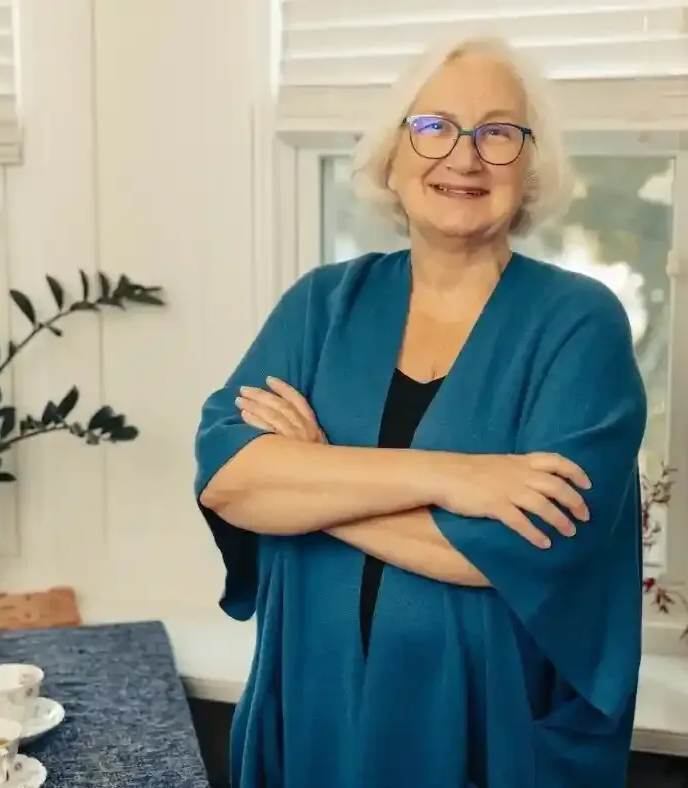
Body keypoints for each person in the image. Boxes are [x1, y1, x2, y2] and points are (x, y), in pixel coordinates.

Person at [193, 34, 646, 788]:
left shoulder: (576, 322)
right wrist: (451, 477)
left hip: (487, 733)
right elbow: (232, 483)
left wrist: (313, 485)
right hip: (313, 711)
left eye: (497, 132)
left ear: (530, 167)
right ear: (391, 159)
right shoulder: (320, 306)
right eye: (433, 127)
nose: (463, 158)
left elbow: (525, 549)